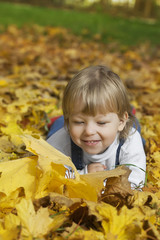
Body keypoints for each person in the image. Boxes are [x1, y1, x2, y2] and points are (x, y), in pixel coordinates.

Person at [47, 65, 146, 189]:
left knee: (136, 130)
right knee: (56, 128)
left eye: (101, 123)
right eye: (79, 122)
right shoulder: (61, 139)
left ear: (121, 122)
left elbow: (136, 181)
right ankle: (60, 120)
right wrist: (84, 175)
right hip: (63, 128)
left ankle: (129, 115)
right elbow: (50, 173)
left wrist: (101, 187)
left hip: (125, 131)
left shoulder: (130, 142)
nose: (89, 131)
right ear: (69, 120)